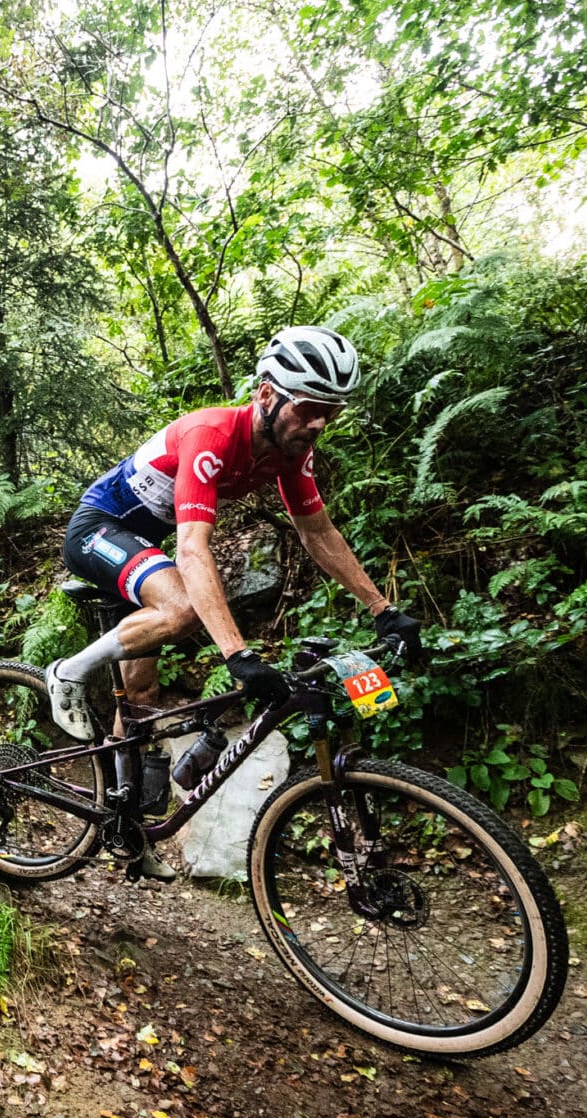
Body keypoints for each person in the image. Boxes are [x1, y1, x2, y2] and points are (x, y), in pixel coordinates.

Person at [45, 326, 422, 875]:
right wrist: (237, 656)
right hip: (100, 529)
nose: (317, 423)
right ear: (267, 395)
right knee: (181, 608)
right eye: (309, 407)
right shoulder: (212, 434)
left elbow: (319, 534)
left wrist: (383, 610)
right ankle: (68, 672)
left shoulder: (292, 452)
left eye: (330, 412)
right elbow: (193, 550)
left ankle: (127, 829)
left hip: (145, 549)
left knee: (143, 693)